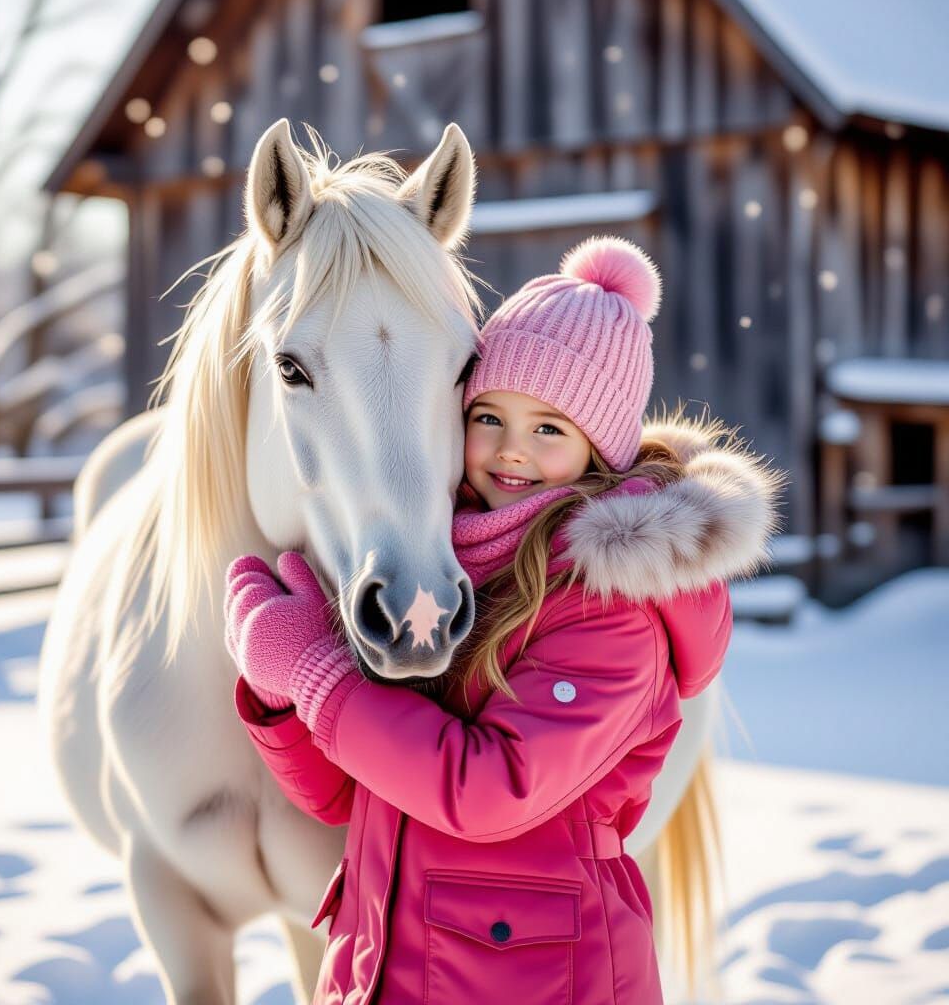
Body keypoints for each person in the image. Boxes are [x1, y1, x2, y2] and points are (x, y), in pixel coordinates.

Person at [224, 236, 782, 1004]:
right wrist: (282, 693)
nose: (510, 450)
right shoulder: (451, 576)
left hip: (534, 982)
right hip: (389, 968)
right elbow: (355, 795)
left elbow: (489, 791)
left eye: (549, 427)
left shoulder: (610, 613)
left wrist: (319, 681)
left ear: (600, 448)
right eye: (489, 415)